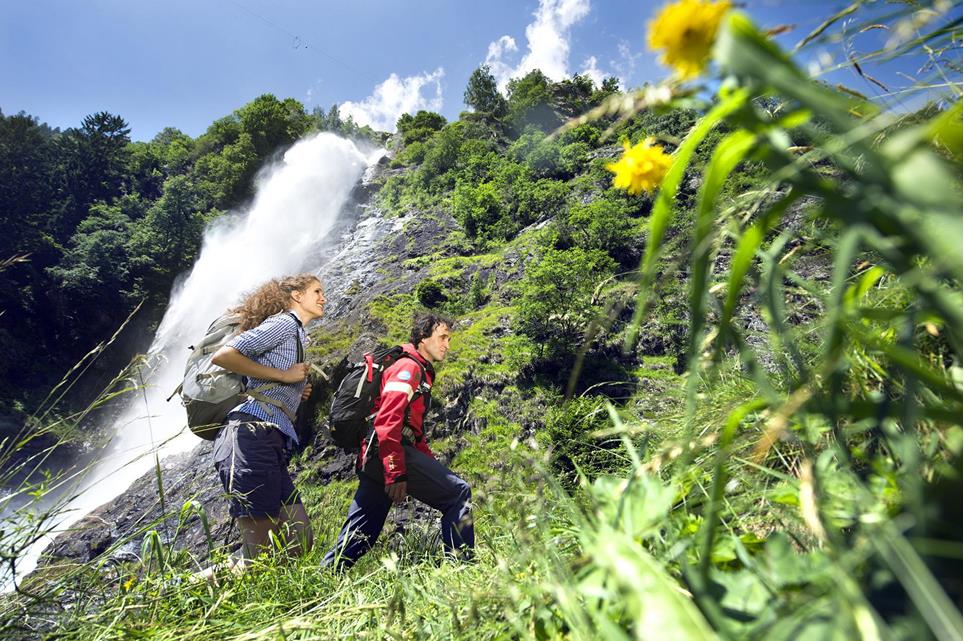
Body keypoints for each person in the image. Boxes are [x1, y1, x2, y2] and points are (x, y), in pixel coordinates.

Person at [322, 314, 474, 569]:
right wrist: (395, 471)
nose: (447, 344)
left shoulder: (417, 369)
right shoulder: (410, 368)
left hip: (372, 456)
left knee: (360, 536)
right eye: (442, 338)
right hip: (386, 451)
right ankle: (463, 570)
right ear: (423, 338)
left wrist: (431, 466)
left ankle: (323, 580)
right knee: (458, 493)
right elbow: (388, 420)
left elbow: (413, 431)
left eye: (449, 339)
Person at [209, 273, 326, 564]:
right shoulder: (284, 323)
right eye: (317, 291)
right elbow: (225, 356)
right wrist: (285, 376)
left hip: (270, 442)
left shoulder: (297, 333)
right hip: (250, 436)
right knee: (260, 555)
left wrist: (294, 391)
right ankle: (174, 593)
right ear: (297, 296)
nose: (324, 297)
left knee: (299, 539)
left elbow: (262, 377)